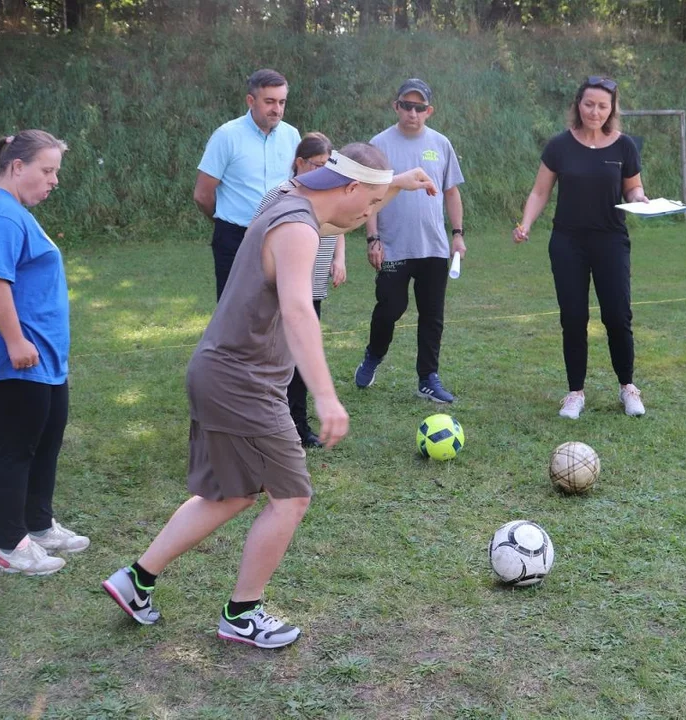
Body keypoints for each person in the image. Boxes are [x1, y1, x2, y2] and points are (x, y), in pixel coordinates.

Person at [103, 144, 437, 649]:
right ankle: (241, 615)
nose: (368, 216)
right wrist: (325, 396)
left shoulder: (287, 195)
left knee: (231, 493)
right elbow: (300, 311)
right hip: (244, 382)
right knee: (291, 497)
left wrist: (393, 185)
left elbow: (343, 217)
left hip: (218, 371)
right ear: (346, 188)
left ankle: (137, 579)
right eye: (368, 203)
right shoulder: (299, 230)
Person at [0, 130, 89, 576]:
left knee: (47, 438)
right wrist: (16, 341)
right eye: (48, 170)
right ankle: (10, 547)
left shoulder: (12, 211)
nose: (54, 180)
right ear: (17, 167)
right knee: (17, 448)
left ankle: (38, 526)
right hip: (16, 352)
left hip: (43, 353)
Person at [512, 76, 650, 419]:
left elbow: (633, 189)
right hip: (567, 242)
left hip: (611, 240)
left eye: (603, 106)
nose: (595, 111)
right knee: (573, 318)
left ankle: (627, 388)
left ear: (611, 109)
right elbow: (540, 192)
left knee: (617, 315)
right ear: (578, 105)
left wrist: (640, 199)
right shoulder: (560, 145)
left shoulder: (624, 147)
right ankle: (575, 393)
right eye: (589, 104)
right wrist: (526, 224)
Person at [353, 79, 466, 404]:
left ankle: (427, 378)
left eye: (419, 107)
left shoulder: (441, 144)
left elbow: (451, 192)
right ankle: (373, 356)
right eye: (406, 105)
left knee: (433, 314)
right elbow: (369, 196)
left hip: (433, 247)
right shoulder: (379, 144)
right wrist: (372, 238)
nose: (412, 113)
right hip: (393, 246)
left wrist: (457, 235)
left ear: (428, 111)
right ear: (396, 107)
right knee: (391, 307)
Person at [252, 132, 345, 448]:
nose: (323, 172)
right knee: (278, 360)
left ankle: (299, 427)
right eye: (318, 165)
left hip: (313, 286)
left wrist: (339, 258)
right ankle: (269, 427)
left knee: (304, 355)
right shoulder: (280, 195)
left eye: (328, 166)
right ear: (299, 163)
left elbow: (341, 222)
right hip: (281, 292)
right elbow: (256, 238)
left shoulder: (326, 194)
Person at [193, 68, 302, 299]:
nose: (277, 109)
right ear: (251, 100)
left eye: (282, 102)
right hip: (234, 237)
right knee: (233, 309)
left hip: (278, 234)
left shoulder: (292, 135)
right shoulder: (227, 136)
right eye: (270, 101)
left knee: (276, 307)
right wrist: (224, 218)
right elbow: (202, 195)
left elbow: (297, 184)